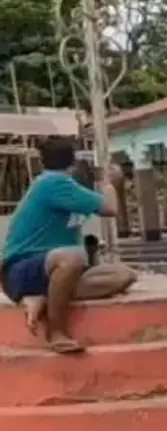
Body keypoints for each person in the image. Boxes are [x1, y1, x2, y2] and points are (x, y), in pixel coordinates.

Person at [1, 139, 137, 352]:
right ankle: (56, 331)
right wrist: (109, 182)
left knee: (123, 275)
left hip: (50, 270)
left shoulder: (63, 186)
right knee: (72, 257)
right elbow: (110, 208)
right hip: (21, 269)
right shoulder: (53, 183)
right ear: (73, 164)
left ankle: (46, 296)